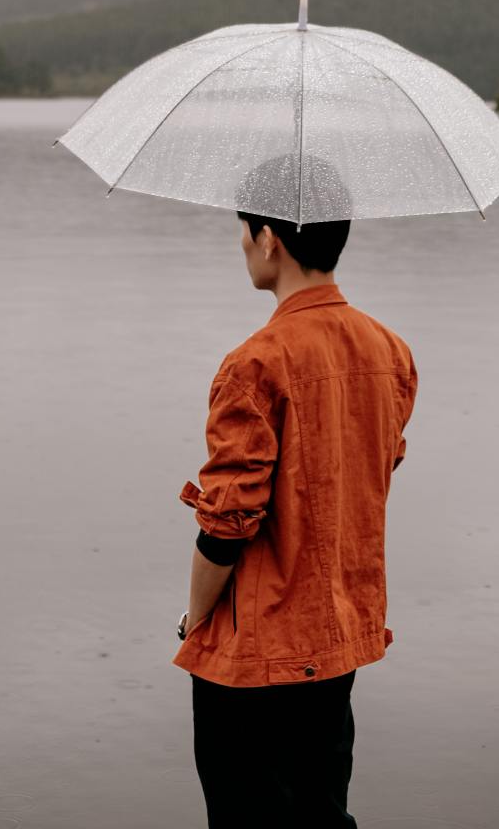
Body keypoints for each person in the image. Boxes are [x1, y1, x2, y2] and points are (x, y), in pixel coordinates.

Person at [172, 154, 418, 827]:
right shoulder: (388, 351)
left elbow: (229, 521)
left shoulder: (256, 361)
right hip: (336, 637)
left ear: (268, 239)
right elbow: (364, 480)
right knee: (320, 813)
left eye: (242, 230)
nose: (240, 245)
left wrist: (196, 622)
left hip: (256, 654)